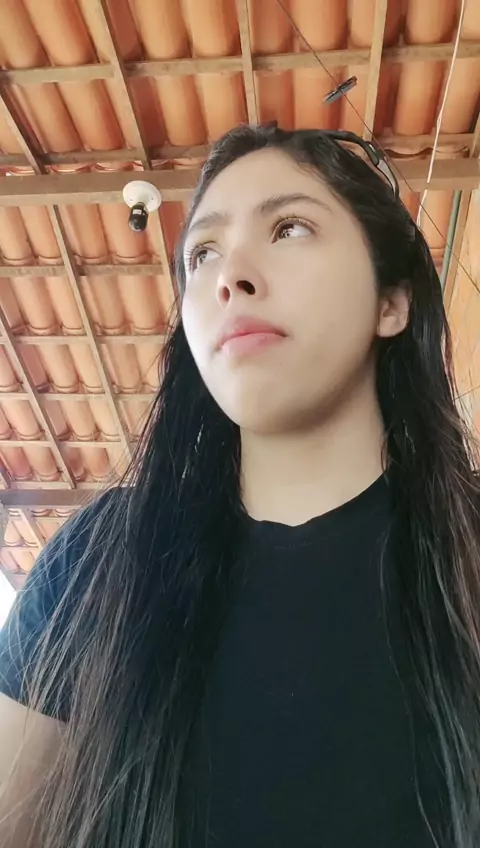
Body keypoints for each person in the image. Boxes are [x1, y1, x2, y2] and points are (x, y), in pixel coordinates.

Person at [0, 124, 479, 848]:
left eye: (289, 228)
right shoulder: (99, 560)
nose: (231, 278)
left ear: (392, 302)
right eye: (203, 253)